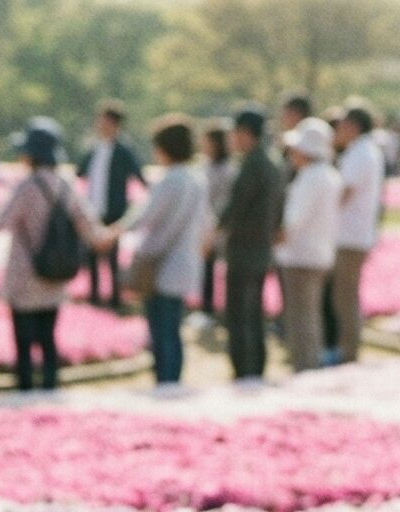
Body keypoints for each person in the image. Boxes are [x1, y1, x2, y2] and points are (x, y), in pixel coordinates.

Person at [0, 117, 111, 392]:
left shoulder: (27, 187)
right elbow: (89, 226)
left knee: (24, 342)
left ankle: (25, 390)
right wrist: (111, 236)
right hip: (55, 275)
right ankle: (50, 388)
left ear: (32, 154)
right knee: (48, 339)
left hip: (25, 277)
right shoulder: (65, 185)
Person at [117, 115, 208, 387]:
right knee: (173, 329)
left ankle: (165, 382)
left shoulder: (170, 180)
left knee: (161, 329)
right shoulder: (196, 179)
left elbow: (146, 216)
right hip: (185, 262)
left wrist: (114, 232)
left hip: (161, 264)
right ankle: (173, 382)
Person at [218, 106, 283, 382]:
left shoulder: (252, 164)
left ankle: (245, 369)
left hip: (244, 250)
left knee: (240, 314)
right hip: (261, 249)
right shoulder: (271, 163)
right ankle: (255, 367)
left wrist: (216, 230)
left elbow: (235, 207)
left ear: (245, 132)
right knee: (254, 312)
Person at [276, 117, 341, 372]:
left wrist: (277, 238)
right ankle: (311, 364)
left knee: (300, 318)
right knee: (311, 315)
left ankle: (305, 367)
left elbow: (293, 221)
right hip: (320, 254)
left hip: (301, 256)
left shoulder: (310, 177)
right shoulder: (330, 174)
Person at [330, 102, 383, 363]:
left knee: (345, 297)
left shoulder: (360, 153)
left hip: (350, 236)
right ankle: (347, 349)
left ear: (353, 126)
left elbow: (344, 193)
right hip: (355, 234)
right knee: (345, 295)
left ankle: (348, 352)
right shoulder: (365, 151)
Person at [76, 101, 143, 308]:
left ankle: (114, 299)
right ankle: (94, 297)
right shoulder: (94, 147)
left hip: (114, 211)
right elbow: (80, 172)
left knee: (113, 259)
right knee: (92, 257)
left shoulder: (123, 150)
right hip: (92, 210)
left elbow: (138, 174)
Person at [197, 121, 232, 317]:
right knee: (205, 268)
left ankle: (210, 309)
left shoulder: (227, 170)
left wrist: (214, 227)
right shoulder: (204, 166)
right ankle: (206, 307)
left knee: (212, 267)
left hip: (217, 227)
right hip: (205, 226)